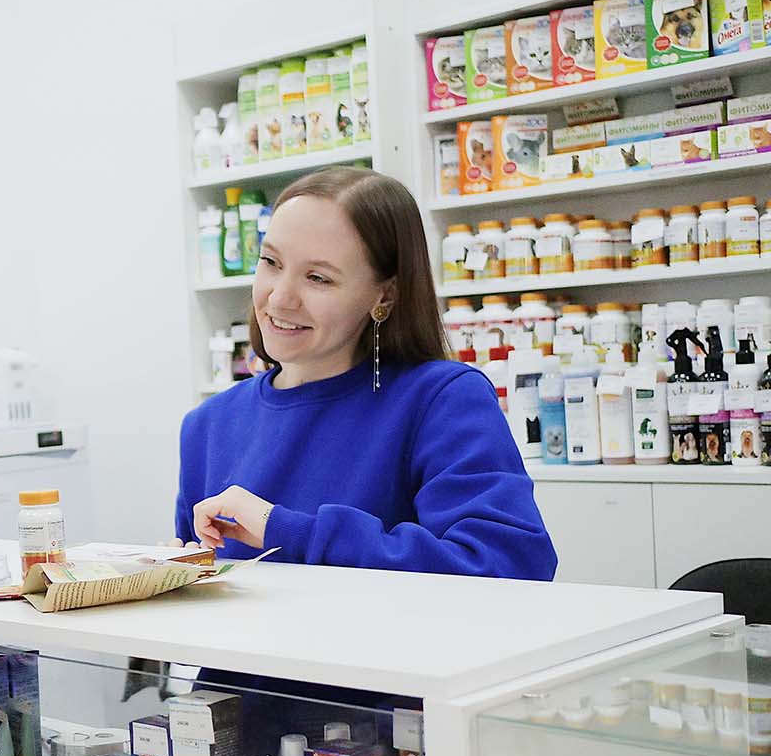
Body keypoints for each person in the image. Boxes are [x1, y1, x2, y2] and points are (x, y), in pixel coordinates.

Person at [177, 167, 557, 581]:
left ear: (384, 295)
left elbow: (511, 564)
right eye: (270, 262)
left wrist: (289, 530)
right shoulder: (207, 425)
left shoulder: (442, 400)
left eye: (318, 278)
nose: (280, 297)